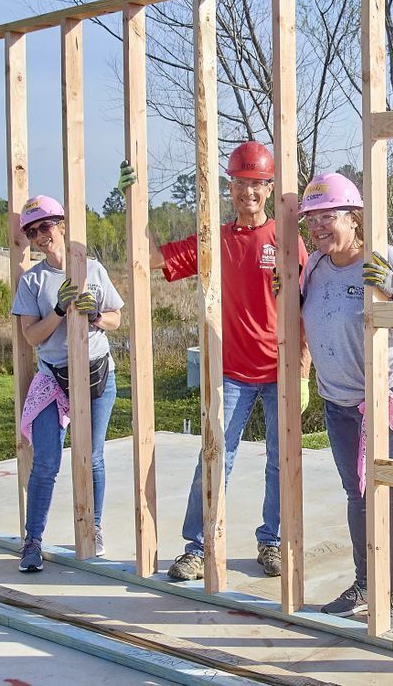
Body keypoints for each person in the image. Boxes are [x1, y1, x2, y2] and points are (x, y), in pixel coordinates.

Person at [119, 141, 310, 581]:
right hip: (232, 373)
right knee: (214, 457)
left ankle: (273, 542)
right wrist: (136, 204)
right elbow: (154, 259)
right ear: (231, 188)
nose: (249, 193)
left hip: (278, 370)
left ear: (268, 188)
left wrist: (301, 370)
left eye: (257, 185)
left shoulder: (285, 241)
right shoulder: (214, 243)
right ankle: (198, 546)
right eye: (241, 184)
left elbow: (306, 306)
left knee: (282, 460)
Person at [286, 172, 393, 631]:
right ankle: (366, 583)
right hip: (338, 401)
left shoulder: (385, 259)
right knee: (358, 493)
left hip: (386, 395)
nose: (318, 227)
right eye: (312, 219)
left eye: (328, 217)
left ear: (354, 217)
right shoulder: (315, 267)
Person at [12, 194, 124, 572]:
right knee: (45, 461)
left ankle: (92, 527)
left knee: (92, 456)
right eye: (32, 232)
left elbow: (116, 319)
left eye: (46, 226)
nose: (41, 236)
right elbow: (32, 337)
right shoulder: (33, 281)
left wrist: (95, 315)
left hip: (96, 375)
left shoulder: (91, 269)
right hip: (53, 380)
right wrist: (60, 310)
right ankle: (33, 540)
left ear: (60, 225)